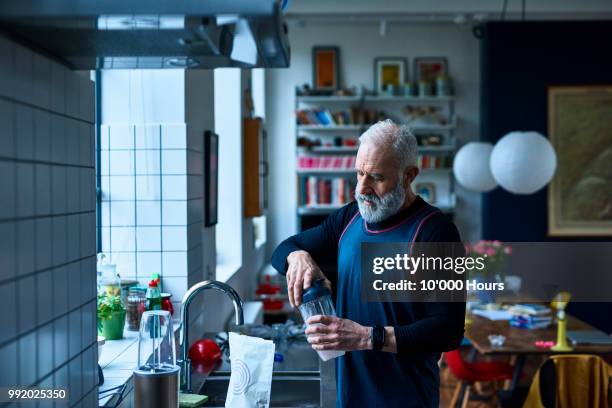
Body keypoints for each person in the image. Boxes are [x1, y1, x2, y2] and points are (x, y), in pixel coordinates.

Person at [271, 119, 465, 407]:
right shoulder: (349, 217)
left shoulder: (436, 232)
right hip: (349, 396)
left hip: (407, 398)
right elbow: (282, 250)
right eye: (359, 173)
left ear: (408, 175)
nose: (362, 188)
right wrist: (297, 256)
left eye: (376, 177)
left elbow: (448, 331)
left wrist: (365, 337)